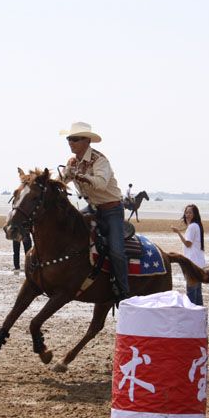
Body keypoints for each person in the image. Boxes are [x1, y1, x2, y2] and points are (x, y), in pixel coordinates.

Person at [60, 121, 128, 300]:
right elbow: (61, 180)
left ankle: (124, 291)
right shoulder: (72, 162)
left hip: (111, 210)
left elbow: (100, 183)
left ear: (86, 141)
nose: (70, 142)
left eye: (75, 139)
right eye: (69, 138)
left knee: (116, 251)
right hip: (92, 208)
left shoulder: (100, 160)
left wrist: (79, 176)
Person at [171, 204, 207, 305]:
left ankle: (192, 315)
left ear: (195, 214)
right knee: (197, 292)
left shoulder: (192, 227)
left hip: (192, 263)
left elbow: (188, 243)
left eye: (190, 212)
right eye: (186, 212)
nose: (187, 214)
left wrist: (178, 232)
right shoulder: (197, 225)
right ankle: (199, 316)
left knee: (191, 292)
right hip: (199, 263)